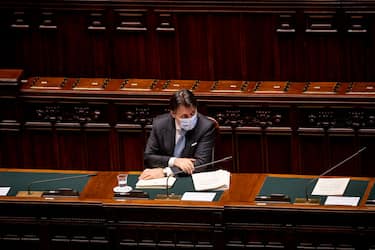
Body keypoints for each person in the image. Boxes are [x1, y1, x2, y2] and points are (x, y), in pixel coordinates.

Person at [139, 89, 216, 180]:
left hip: (190, 178)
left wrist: (166, 172)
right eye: (184, 116)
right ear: (173, 114)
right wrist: (174, 161)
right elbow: (149, 157)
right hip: (161, 180)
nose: (190, 119)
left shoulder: (206, 126)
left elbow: (202, 164)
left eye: (193, 113)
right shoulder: (160, 124)